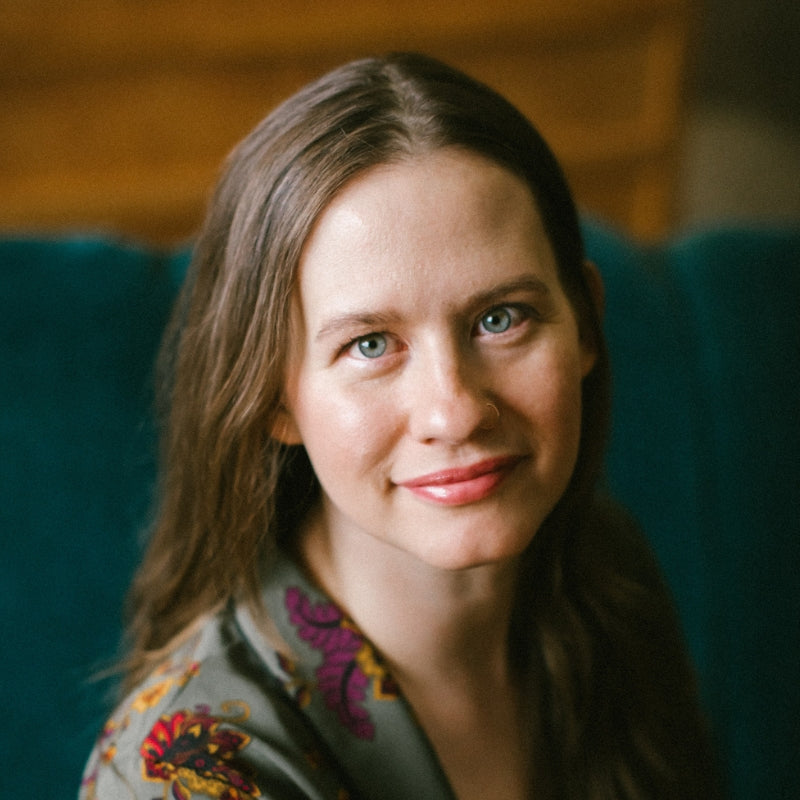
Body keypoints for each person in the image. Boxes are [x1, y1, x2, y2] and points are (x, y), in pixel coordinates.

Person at [80, 53, 721, 800]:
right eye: (370, 345)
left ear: (584, 323)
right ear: (275, 396)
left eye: (499, 319)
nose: (454, 411)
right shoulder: (188, 776)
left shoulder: (607, 579)